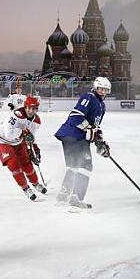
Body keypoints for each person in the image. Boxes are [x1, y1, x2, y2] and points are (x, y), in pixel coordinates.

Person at [54, 76, 111, 210]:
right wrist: (88, 128)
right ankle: (76, 198)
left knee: (73, 165)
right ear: (96, 88)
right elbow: (75, 116)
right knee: (86, 165)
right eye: (101, 89)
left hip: (73, 136)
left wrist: (100, 141)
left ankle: (64, 194)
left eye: (106, 90)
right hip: (73, 134)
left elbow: (95, 126)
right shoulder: (89, 97)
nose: (103, 92)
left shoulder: (102, 105)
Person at [0, 95, 46, 200]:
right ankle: (26, 188)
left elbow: (31, 136)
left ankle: (35, 183)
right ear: (25, 107)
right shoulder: (15, 115)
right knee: (14, 165)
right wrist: (24, 132)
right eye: (29, 108)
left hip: (18, 140)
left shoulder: (36, 121)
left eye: (34, 108)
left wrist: (35, 149)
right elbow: (9, 134)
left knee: (26, 162)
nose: (31, 110)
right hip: (3, 141)